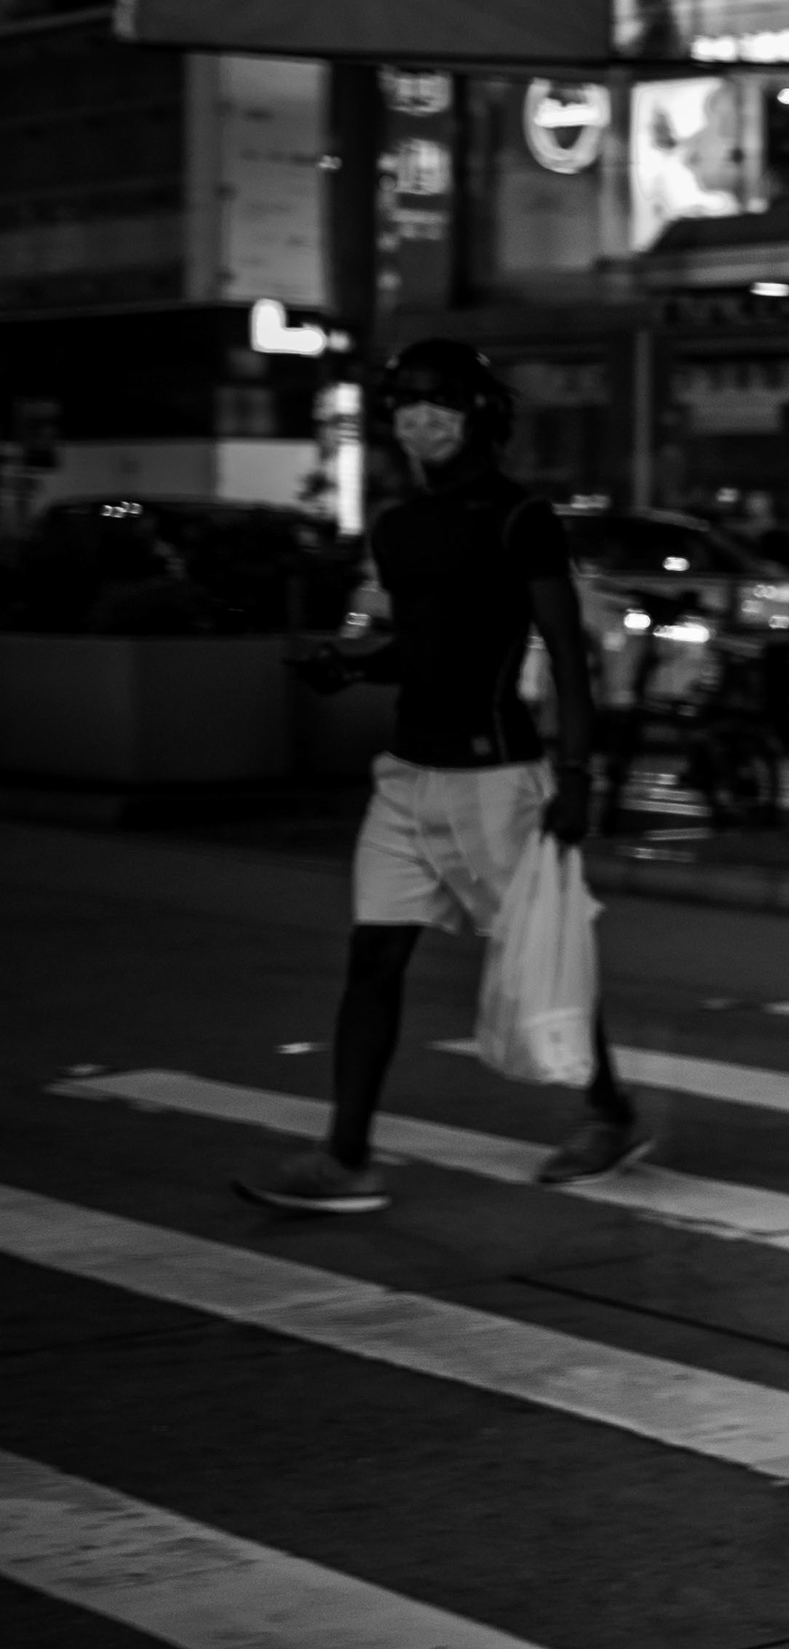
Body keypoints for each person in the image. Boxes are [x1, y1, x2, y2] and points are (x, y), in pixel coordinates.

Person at [240, 339, 647, 1213]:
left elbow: (567, 657)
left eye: (439, 403)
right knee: (372, 957)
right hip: (405, 779)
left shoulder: (519, 519)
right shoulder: (396, 526)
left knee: (545, 960)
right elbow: (422, 648)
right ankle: (345, 1159)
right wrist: (352, 666)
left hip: (496, 778)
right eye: (404, 405)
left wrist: (578, 775)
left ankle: (608, 1112)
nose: (419, 420)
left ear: (478, 413)